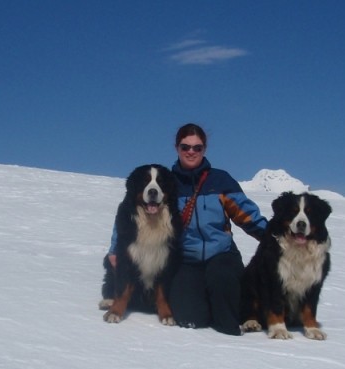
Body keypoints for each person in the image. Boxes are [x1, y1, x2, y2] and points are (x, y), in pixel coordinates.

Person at [100, 123, 267, 335]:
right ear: (177, 148)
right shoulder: (167, 181)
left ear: (204, 149)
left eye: (197, 147)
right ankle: (208, 303)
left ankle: (233, 311)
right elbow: (127, 215)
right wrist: (115, 249)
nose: (191, 152)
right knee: (190, 318)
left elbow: (248, 216)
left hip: (221, 255)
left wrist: (276, 237)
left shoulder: (221, 180)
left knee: (227, 320)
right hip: (187, 260)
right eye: (185, 146)